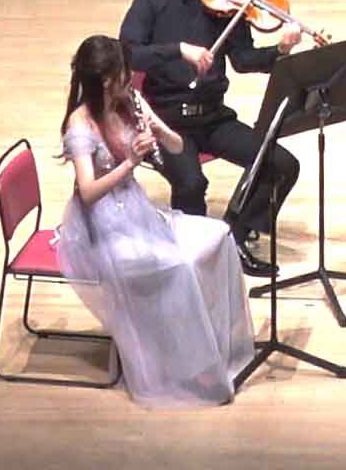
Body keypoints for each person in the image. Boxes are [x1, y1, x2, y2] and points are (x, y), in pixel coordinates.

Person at [51, 35, 250, 407]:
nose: (131, 76)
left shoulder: (129, 101)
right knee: (180, 265)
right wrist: (130, 162)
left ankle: (218, 345)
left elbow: (177, 147)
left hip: (135, 210)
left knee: (220, 236)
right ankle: (187, 364)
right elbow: (88, 192)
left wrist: (160, 131)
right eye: (123, 72)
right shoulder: (81, 126)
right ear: (106, 80)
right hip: (102, 228)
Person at [119, 0, 324, 266]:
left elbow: (243, 59)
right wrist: (178, 50)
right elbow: (127, 53)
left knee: (281, 165)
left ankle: (234, 237)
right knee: (191, 183)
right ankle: (194, 261)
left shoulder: (227, 1)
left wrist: (280, 50)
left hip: (213, 117)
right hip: (166, 122)